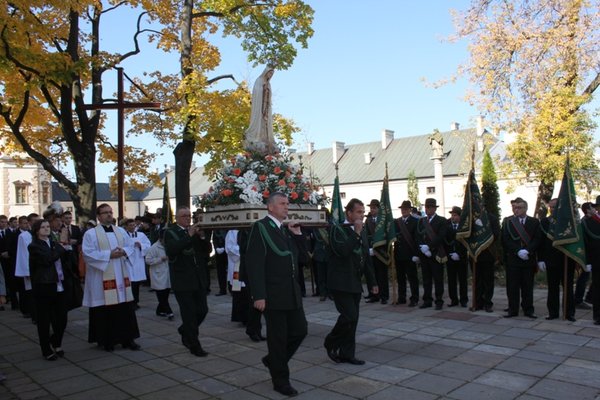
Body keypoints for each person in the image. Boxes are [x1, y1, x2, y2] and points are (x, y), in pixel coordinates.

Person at [246, 192, 308, 397]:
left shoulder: (284, 230)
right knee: (278, 339)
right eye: (282, 203)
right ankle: (280, 380)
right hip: (272, 294)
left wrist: (298, 236)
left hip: (291, 292)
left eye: (287, 204)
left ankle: (273, 360)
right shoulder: (260, 228)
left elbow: (303, 259)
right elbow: (254, 263)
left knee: (300, 330)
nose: (286, 207)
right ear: (270, 207)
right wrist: (259, 295)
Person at [325, 198, 378, 366]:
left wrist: (373, 283)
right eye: (358, 212)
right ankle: (331, 341)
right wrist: (355, 233)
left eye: (363, 212)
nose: (362, 216)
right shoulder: (337, 229)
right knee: (349, 316)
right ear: (349, 213)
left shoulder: (361, 230)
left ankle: (347, 353)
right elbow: (342, 251)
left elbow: (365, 259)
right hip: (340, 281)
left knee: (353, 320)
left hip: (354, 281)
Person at [82, 204, 141, 352]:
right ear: (99, 216)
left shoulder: (121, 231)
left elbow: (130, 246)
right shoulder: (91, 234)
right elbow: (88, 254)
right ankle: (107, 340)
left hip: (121, 276)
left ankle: (128, 339)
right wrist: (109, 255)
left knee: (125, 308)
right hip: (102, 278)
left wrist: (123, 251)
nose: (109, 215)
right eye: (105, 213)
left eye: (110, 212)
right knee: (105, 309)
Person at [164, 206, 212, 357]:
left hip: (198, 279)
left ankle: (185, 329)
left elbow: (207, 251)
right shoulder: (170, 232)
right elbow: (172, 250)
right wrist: (189, 235)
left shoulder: (195, 232)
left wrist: (203, 237)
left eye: (189, 216)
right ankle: (194, 344)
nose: (187, 218)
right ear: (176, 218)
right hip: (182, 280)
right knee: (189, 314)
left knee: (203, 310)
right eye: (184, 216)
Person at [28, 219, 69, 360]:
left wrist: (63, 248)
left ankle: (56, 341)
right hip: (44, 285)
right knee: (44, 320)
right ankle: (46, 349)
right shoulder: (34, 246)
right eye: (43, 227)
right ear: (37, 230)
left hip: (59, 284)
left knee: (62, 318)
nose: (46, 229)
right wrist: (61, 246)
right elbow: (47, 260)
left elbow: (64, 258)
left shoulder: (53, 243)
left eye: (47, 226)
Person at [501, 197, 542, 318]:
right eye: (515, 207)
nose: (516, 210)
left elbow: (537, 239)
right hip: (513, 259)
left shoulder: (534, 222)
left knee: (527, 286)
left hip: (528, 259)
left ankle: (528, 310)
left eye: (519, 208)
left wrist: (528, 251)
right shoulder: (508, 221)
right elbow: (505, 239)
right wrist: (518, 251)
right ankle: (513, 310)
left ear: (526, 208)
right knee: (512, 287)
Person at [539, 198, 576, 321]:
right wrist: (541, 259)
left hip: (567, 259)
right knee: (553, 287)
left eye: (555, 207)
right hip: (551, 260)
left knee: (568, 287)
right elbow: (542, 242)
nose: (553, 209)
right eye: (551, 207)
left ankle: (569, 313)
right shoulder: (545, 222)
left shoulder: (569, 222)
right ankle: (553, 312)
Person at [415, 198, 448, 310]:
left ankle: (439, 301)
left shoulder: (441, 220)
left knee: (438, 279)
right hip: (424, 254)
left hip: (436, 254)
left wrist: (429, 247)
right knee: (426, 279)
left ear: (434, 208)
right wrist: (422, 248)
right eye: (426, 207)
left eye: (430, 207)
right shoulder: (421, 221)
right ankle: (427, 300)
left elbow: (441, 236)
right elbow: (418, 236)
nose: (428, 209)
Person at [243, 65, 277, 154]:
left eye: (272, 74)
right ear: (265, 72)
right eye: (269, 73)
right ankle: (256, 136)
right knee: (258, 122)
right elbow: (257, 93)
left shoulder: (268, 83)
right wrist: (263, 89)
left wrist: (267, 92)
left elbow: (269, 95)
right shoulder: (259, 80)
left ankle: (266, 138)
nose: (270, 75)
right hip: (259, 106)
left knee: (266, 123)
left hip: (266, 106)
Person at [472, 210, 500, 313]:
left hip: (488, 253)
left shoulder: (491, 218)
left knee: (488, 280)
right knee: (477, 280)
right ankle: (478, 302)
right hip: (475, 253)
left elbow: (496, 233)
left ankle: (488, 303)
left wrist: (483, 241)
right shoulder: (470, 217)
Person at [394, 200, 420, 306]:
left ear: (410, 210)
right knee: (400, 278)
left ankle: (414, 298)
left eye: (406, 209)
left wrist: (416, 254)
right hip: (399, 254)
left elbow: (417, 239)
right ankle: (402, 297)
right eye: (402, 209)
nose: (403, 211)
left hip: (410, 254)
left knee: (412, 278)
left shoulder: (415, 221)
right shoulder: (397, 222)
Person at [145, 229, 174, 319]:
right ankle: (169, 312)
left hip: (167, 273)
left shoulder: (168, 245)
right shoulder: (154, 247)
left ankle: (159, 310)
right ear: (160, 238)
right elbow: (148, 260)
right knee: (161, 294)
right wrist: (161, 259)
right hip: (158, 274)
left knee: (165, 293)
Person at [365, 199, 388, 304]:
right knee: (372, 275)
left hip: (381, 251)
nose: (372, 210)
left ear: (379, 209)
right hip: (371, 251)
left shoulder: (383, 220)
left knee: (382, 275)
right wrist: (369, 248)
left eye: (374, 208)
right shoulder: (368, 220)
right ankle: (374, 295)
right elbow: (366, 235)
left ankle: (384, 296)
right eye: (371, 208)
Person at [124, 219, 151, 309]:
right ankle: (129, 301)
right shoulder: (123, 236)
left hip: (138, 260)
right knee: (129, 282)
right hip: (128, 260)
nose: (132, 227)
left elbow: (148, 245)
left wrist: (141, 245)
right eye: (130, 225)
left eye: (133, 225)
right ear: (126, 226)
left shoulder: (141, 235)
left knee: (136, 283)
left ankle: (135, 301)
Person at [446, 206, 469, 307]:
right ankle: (453, 299)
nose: (453, 217)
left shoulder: (464, 227)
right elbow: (445, 240)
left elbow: (466, 243)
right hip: (450, 257)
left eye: (455, 215)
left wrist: (459, 254)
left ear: (460, 216)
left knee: (462, 279)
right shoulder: (447, 225)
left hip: (461, 258)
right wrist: (450, 253)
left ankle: (463, 300)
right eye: (452, 215)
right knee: (451, 280)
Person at [582, 199, 600, 325]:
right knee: (598, 287)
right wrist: (587, 261)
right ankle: (598, 315)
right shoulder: (588, 222)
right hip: (597, 260)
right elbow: (586, 244)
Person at [213, 229, 228, 296]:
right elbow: (214, 238)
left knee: (232, 270)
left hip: (230, 250)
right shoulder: (217, 228)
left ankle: (232, 288)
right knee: (220, 271)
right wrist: (216, 247)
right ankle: (222, 289)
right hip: (219, 250)